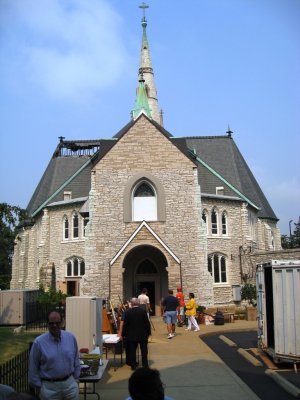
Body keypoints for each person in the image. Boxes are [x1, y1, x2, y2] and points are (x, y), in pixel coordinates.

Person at [29, 310, 81, 400]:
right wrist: (39, 387)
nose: (55, 325)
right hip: (49, 389)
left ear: (62, 322)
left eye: (57, 323)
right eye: (51, 323)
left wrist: (75, 380)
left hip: (70, 386)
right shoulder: (39, 342)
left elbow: (76, 360)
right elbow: (33, 367)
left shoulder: (71, 338)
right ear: (47, 324)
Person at [120, 297, 151, 370]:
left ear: (131, 303)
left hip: (131, 334)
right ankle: (145, 365)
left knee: (132, 351)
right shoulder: (143, 311)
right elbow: (147, 323)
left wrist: (123, 334)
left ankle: (133, 365)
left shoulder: (127, 312)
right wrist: (148, 332)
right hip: (142, 334)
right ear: (138, 303)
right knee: (144, 350)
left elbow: (125, 324)